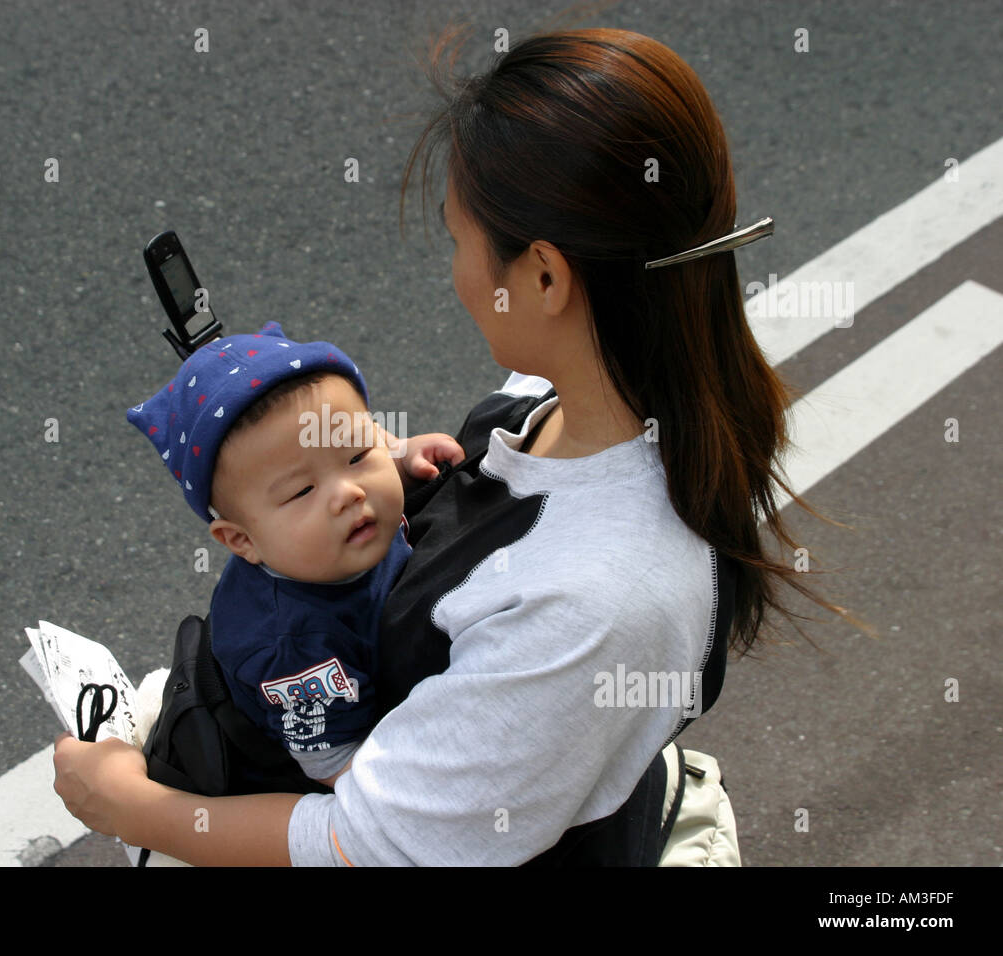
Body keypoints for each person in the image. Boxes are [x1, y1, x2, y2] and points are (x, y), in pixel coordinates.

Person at [54, 25, 873, 866]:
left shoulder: (593, 602)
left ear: (545, 278)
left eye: (459, 241)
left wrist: (130, 807)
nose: (456, 274)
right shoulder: (579, 401)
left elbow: (372, 841)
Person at [124, 321, 463, 787]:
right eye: (302, 490)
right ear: (242, 541)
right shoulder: (296, 647)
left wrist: (402, 458)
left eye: (358, 454)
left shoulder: (331, 531)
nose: (348, 493)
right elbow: (343, 767)